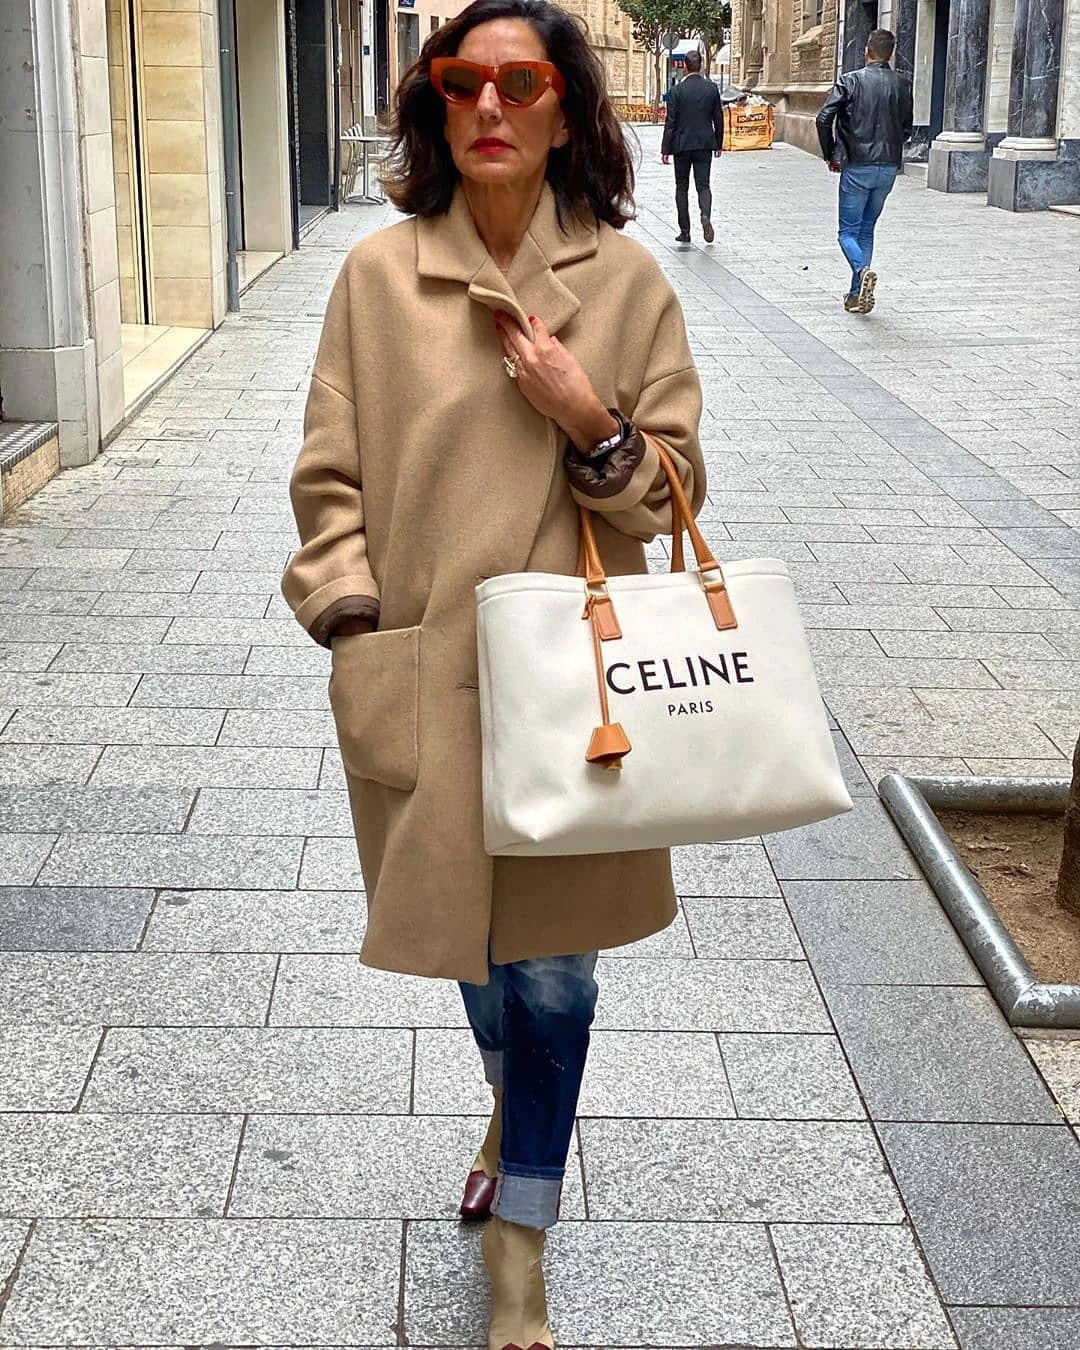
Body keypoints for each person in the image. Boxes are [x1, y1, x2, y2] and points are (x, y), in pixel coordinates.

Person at [281, 2, 706, 1346]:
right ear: (436, 105)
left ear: (566, 112)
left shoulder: (629, 287)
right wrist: (352, 615)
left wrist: (588, 415)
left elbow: (672, 498)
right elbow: (327, 480)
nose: (489, 107)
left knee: (556, 976)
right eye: (463, 82)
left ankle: (522, 1237)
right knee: (477, 955)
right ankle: (510, 1106)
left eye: (521, 86)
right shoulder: (378, 278)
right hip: (425, 679)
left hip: (576, 696)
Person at [815, 28, 913, 314]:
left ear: (867, 50)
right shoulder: (902, 84)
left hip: (857, 165)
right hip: (888, 167)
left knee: (847, 232)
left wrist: (830, 153)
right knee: (867, 229)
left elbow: (823, 118)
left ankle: (861, 271)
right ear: (891, 54)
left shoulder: (850, 81)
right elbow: (907, 127)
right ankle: (856, 295)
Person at [660, 49, 723, 244]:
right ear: (701, 65)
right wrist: (718, 143)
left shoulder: (676, 91)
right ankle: (705, 215)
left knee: (682, 187)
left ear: (685, 67)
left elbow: (670, 122)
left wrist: (665, 149)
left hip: (682, 145)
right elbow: (718, 118)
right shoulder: (711, 89)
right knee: (703, 185)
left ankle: (685, 231)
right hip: (705, 144)